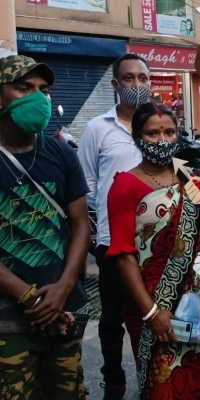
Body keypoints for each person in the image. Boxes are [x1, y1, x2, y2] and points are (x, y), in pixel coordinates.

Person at [106, 102, 200, 399]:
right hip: (150, 304)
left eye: (170, 132)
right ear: (137, 137)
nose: (162, 140)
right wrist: (151, 312)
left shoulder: (194, 177)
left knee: (196, 381)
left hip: (193, 305)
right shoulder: (124, 185)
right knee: (161, 384)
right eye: (153, 133)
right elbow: (123, 254)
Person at [0, 55, 91, 399]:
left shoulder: (61, 153)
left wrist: (63, 288)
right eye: (23, 88)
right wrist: (30, 297)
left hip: (63, 308)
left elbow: (81, 223)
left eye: (43, 90)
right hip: (9, 318)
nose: (37, 98)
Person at [77, 53, 151, 399]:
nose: (137, 85)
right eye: (130, 78)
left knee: (154, 311)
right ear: (115, 85)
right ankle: (114, 378)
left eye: (143, 78)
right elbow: (87, 182)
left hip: (155, 242)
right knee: (111, 318)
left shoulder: (160, 125)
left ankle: (155, 374)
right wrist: (106, 219)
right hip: (112, 240)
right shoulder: (97, 128)